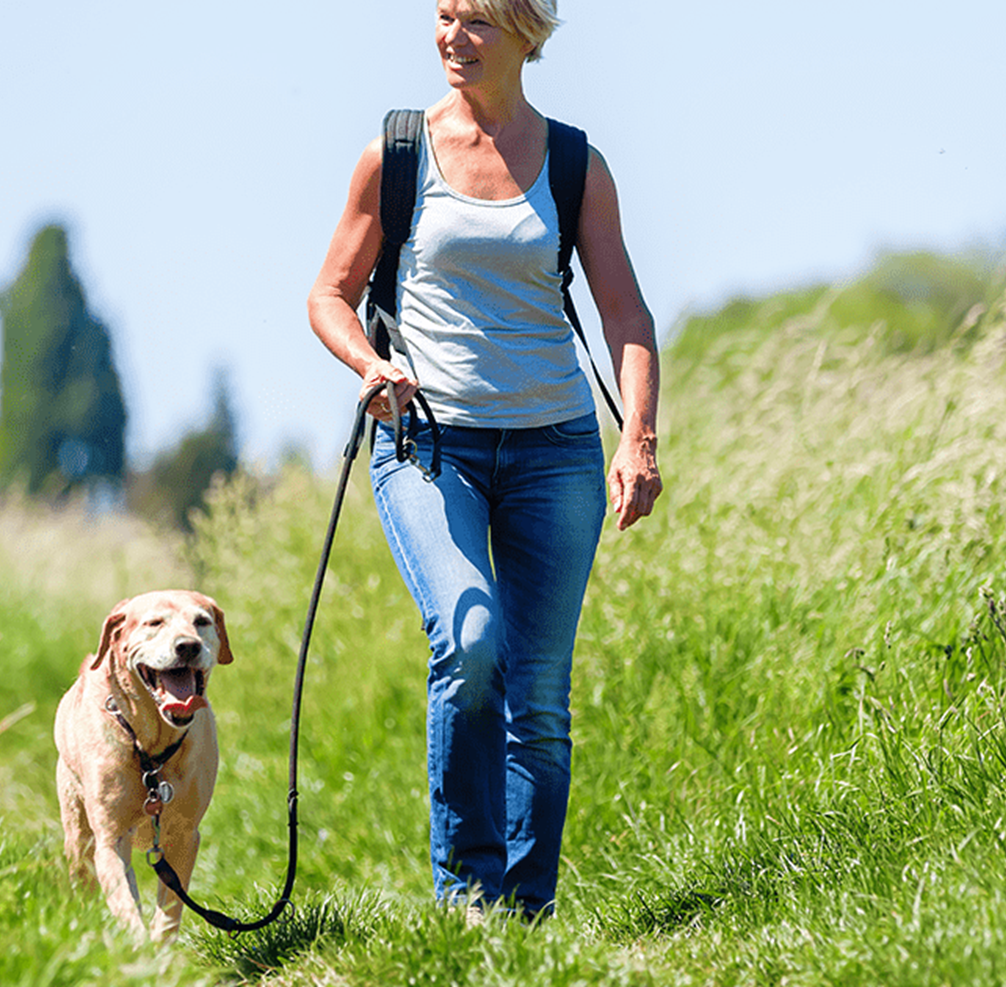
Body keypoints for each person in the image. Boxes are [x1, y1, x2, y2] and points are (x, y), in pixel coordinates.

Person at [305, 0, 662, 920]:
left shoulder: (577, 164)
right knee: (468, 646)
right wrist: (369, 361)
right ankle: (468, 897)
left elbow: (627, 315)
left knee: (537, 696)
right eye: (445, 15)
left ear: (527, 37)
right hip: (430, 446)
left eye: (477, 23)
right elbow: (330, 295)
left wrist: (638, 436)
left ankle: (524, 918)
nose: (453, 37)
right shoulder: (398, 152)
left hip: (555, 452)